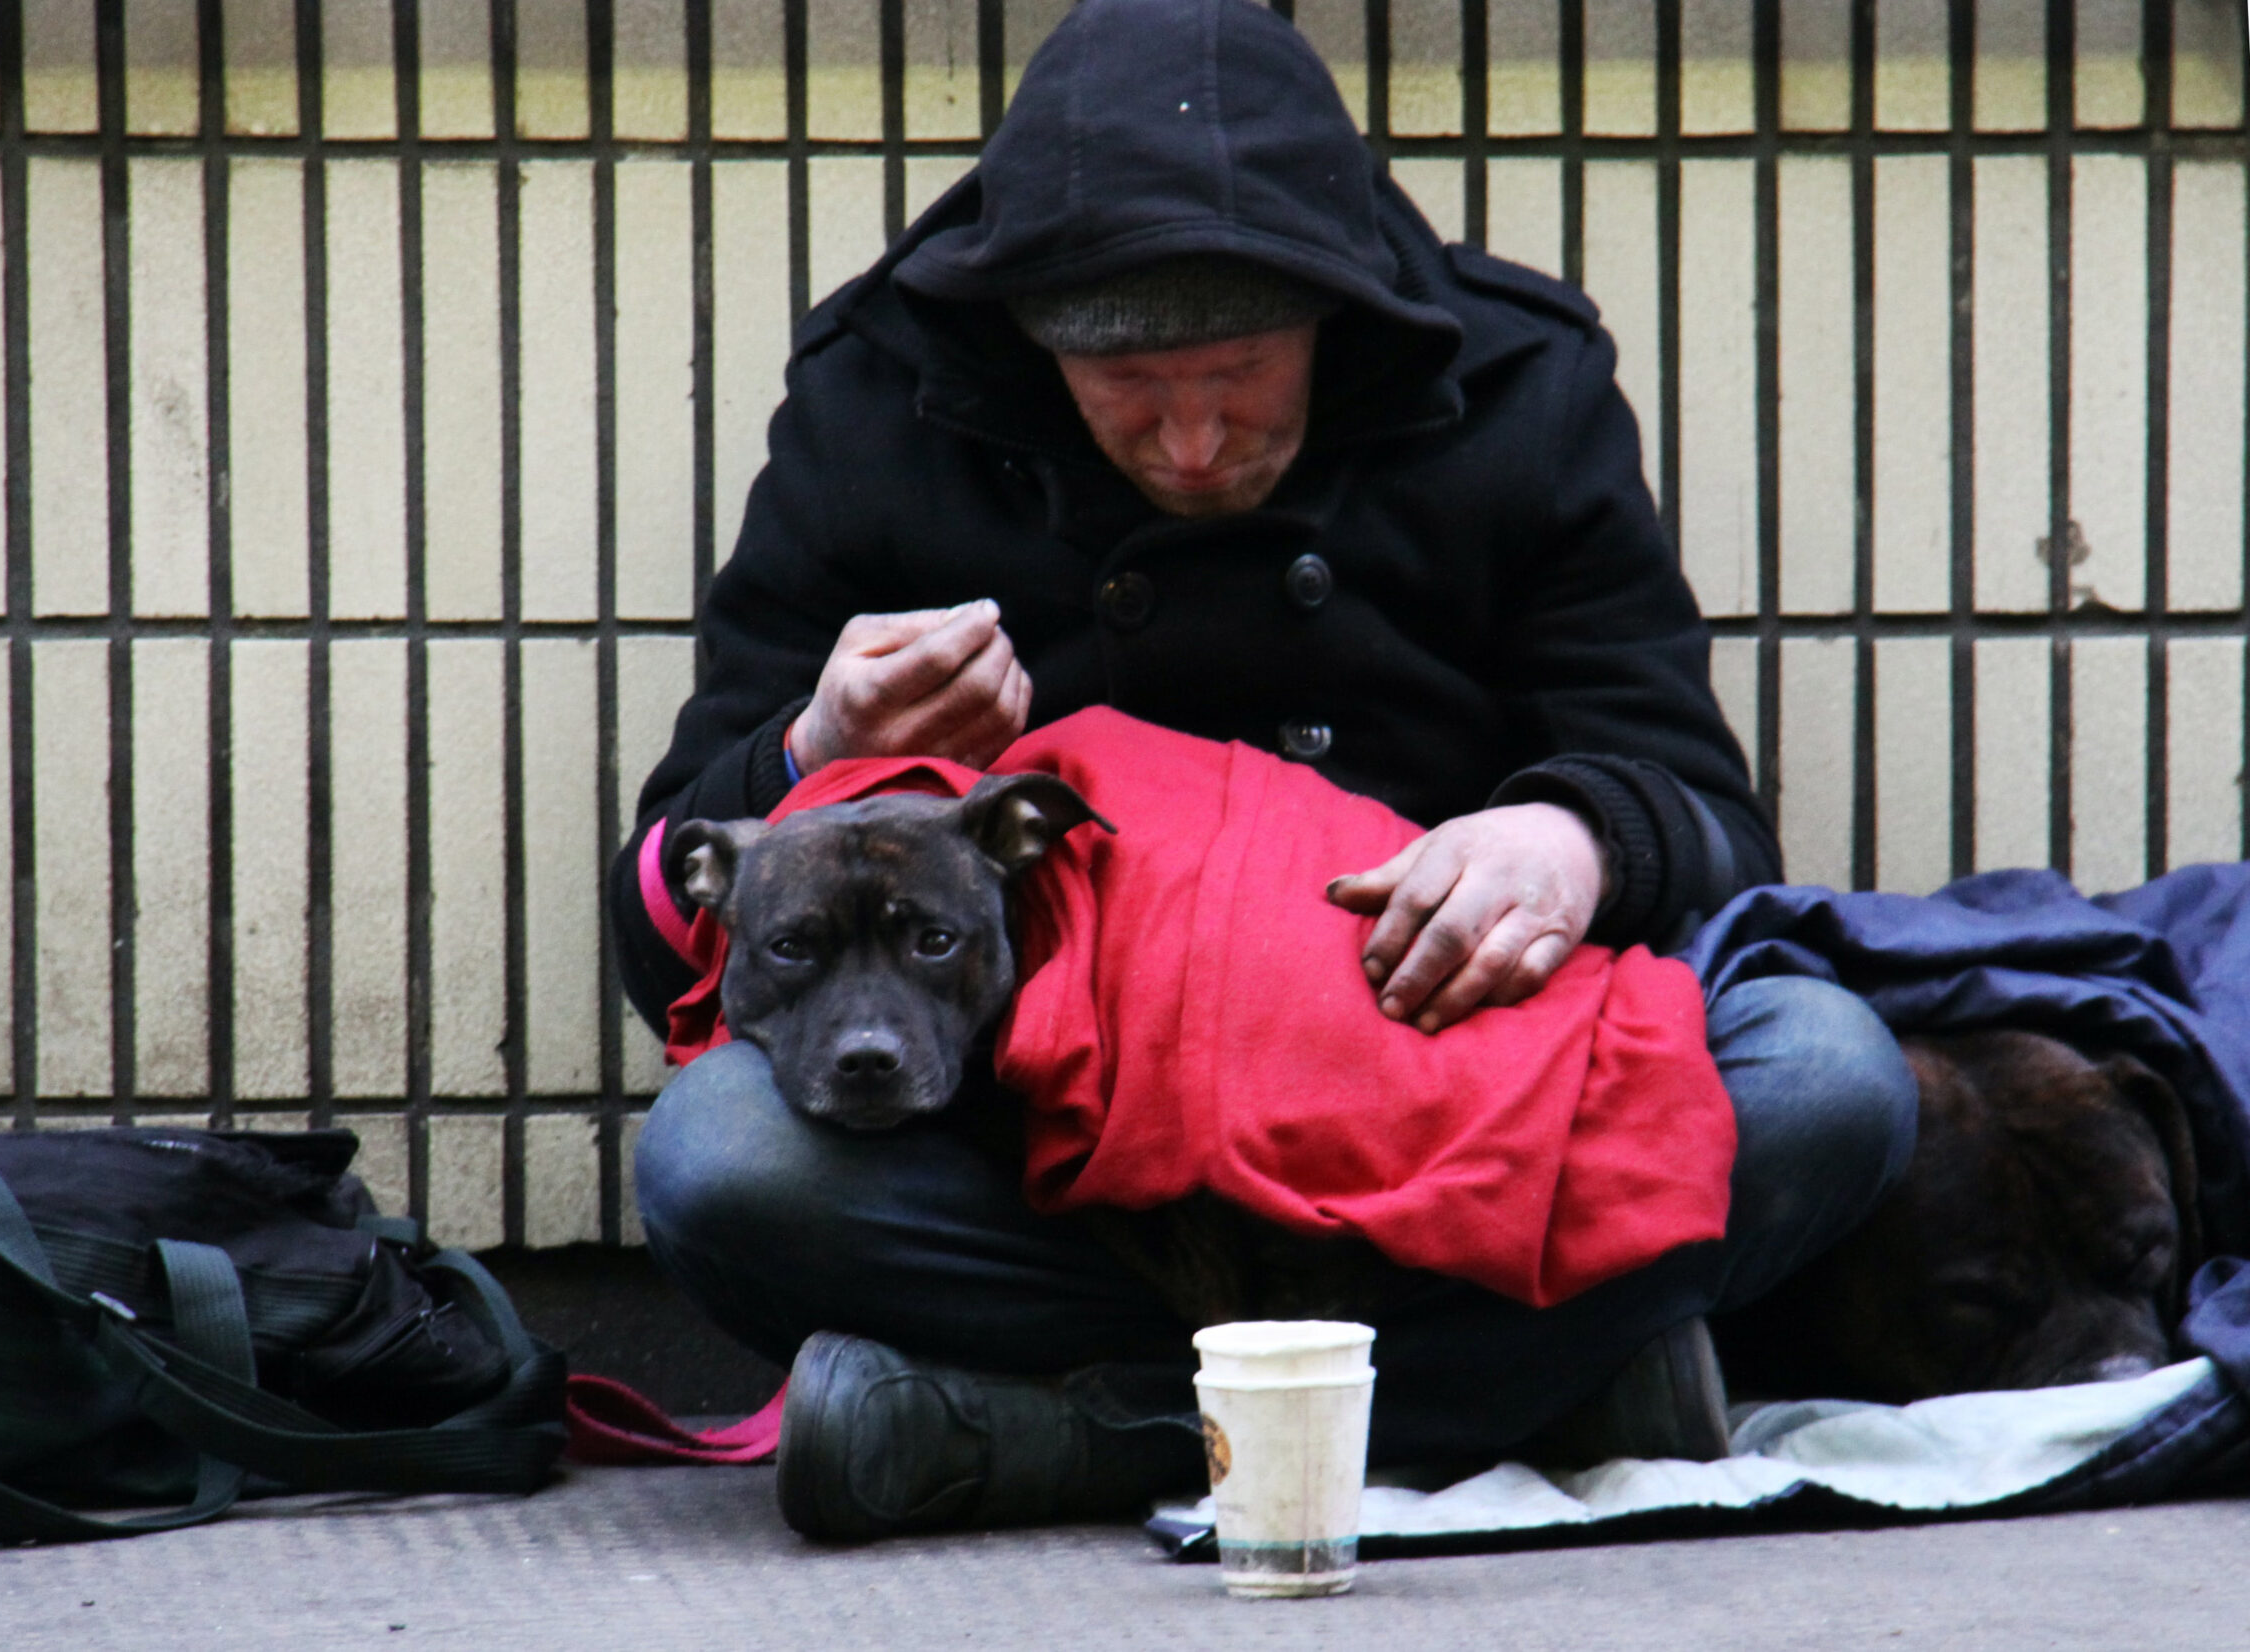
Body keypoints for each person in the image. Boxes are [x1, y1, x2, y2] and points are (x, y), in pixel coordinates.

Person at [610, 0, 1917, 1540]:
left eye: (1239, 372)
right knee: (718, 1162)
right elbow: (669, 933)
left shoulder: (1517, 380)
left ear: (1331, 309)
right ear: (1034, 343)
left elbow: (1702, 814)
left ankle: (1047, 1439)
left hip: (1433, 1103)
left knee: (1831, 1073)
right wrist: (818, 746)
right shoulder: (880, 396)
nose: (1189, 442)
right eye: (1124, 390)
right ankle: (1521, 1388)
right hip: (1051, 1153)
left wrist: (1570, 841)